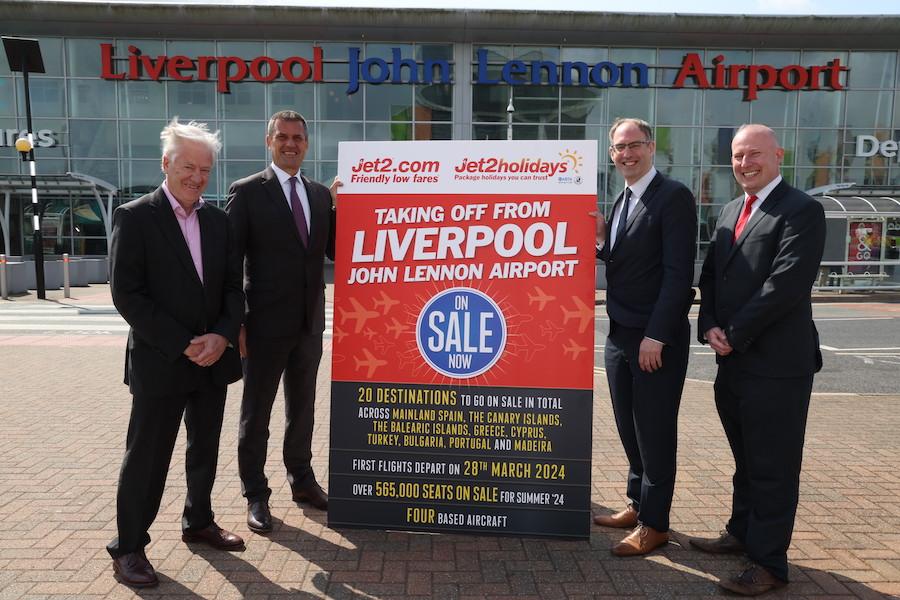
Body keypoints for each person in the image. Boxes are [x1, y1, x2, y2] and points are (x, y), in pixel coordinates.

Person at [106, 118, 245, 588]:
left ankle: (198, 521)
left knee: (204, 448)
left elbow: (232, 288)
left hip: (213, 359)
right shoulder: (136, 216)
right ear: (166, 163)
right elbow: (127, 294)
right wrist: (184, 343)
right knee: (148, 456)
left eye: (205, 169)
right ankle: (128, 547)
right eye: (188, 166)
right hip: (162, 360)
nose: (197, 177)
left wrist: (223, 336)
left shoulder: (218, 220)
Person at [692, 124, 826, 596]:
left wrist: (734, 332)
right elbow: (710, 275)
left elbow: (785, 284)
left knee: (773, 465)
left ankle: (769, 563)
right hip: (734, 362)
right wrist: (708, 322)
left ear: (777, 155)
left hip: (777, 365)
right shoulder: (730, 211)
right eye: (736, 155)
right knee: (745, 459)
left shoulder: (802, 210)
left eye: (753, 154)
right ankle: (741, 533)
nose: (744, 163)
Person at [226, 110, 336, 534]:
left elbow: (335, 250)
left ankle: (302, 480)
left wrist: (355, 204)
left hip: (309, 323)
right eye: (283, 137)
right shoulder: (248, 192)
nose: (291, 144)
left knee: (303, 409)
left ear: (307, 143)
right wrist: (234, 323)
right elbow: (229, 263)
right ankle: (255, 493)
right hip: (262, 326)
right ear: (269, 141)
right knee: (257, 412)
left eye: (298, 138)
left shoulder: (319, 194)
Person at [594, 117, 697, 556]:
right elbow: (626, 264)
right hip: (619, 334)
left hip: (653, 338)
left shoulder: (673, 197)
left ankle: (655, 524)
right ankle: (638, 504)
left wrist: (657, 334)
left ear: (651, 147)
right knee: (628, 427)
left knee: (654, 432)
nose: (626, 154)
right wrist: (601, 242)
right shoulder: (621, 200)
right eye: (619, 148)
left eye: (634, 145)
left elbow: (677, 275)